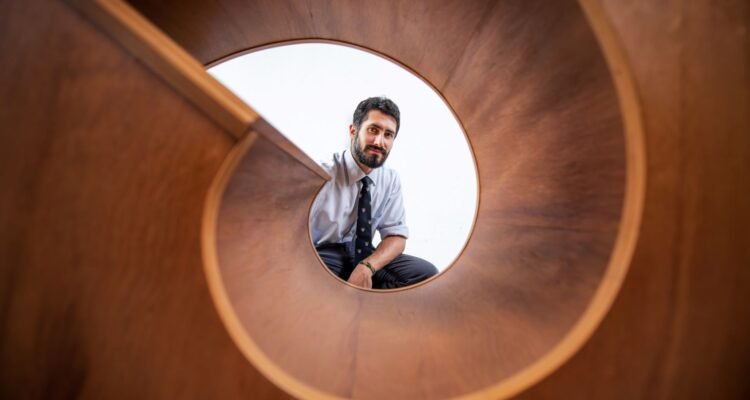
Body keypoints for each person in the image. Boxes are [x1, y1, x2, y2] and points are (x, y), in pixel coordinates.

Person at [310, 96, 438, 289]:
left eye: (388, 135)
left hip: (364, 255)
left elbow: (396, 236)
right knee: (313, 276)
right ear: (353, 131)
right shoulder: (320, 174)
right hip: (323, 254)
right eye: (373, 130)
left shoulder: (390, 179)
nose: (379, 142)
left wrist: (367, 267)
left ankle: (365, 302)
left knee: (426, 274)